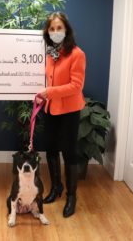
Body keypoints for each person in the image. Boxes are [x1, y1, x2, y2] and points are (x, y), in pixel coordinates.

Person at [36, 12, 86, 218]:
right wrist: (43, 95)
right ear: (48, 32)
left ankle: (71, 196)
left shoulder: (77, 54)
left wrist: (50, 92)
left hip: (69, 110)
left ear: (66, 30)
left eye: (59, 28)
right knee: (50, 148)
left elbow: (76, 86)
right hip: (50, 109)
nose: (56, 32)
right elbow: (49, 80)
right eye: (52, 29)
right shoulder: (49, 53)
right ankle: (56, 188)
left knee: (69, 151)